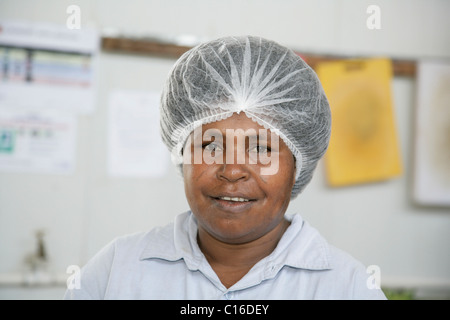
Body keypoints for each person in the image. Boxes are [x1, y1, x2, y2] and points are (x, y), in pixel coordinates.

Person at [64, 36, 386, 300]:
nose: (232, 170)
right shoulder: (116, 271)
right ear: (182, 154)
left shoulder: (349, 288)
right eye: (210, 146)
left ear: (297, 166)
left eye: (261, 149)